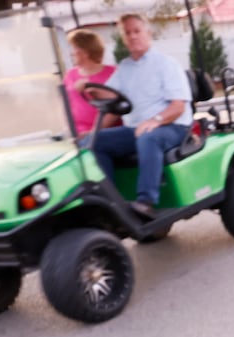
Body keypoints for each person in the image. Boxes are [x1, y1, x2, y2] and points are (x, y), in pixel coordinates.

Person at [90, 13, 192, 219]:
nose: (133, 36)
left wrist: (154, 121)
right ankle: (111, 201)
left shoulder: (166, 64)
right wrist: (87, 87)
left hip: (172, 126)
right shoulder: (124, 68)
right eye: (127, 33)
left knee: (148, 137)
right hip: (136, 128)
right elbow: (110, 99)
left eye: (137, 31)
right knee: (95, 142)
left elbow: (178, 107)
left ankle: (146, 202)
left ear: (148, 33)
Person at [63, 29, 116, 136]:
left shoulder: (113, 73)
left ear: (85, 52)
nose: (71, 53)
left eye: (74, 48)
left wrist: (92, 133)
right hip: (75, 131)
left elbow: (115, 110)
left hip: (104, 132)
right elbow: (65, 104)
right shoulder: (70, 75)